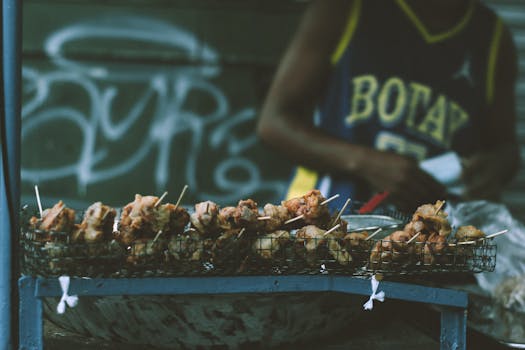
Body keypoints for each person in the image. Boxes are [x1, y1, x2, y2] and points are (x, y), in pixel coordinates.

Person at [257, 0, 520, 212]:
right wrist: (366, 162)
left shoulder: (492, 36)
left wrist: (491, 171)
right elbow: (274, 123)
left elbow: (505, 149)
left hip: (433, 241)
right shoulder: (344, 8)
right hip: (328, 220)